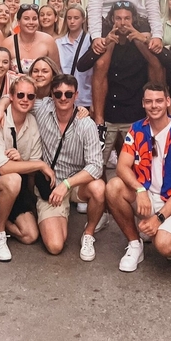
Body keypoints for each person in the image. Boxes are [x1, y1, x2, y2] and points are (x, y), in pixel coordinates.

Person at [106, 83, 171, 272]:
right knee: (113, 187)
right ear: (143, 103)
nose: (154, 106)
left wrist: (159, 218)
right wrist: (139, 189)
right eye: (149, 101)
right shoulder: (137, 129)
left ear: (168, 102)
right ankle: (134, 243)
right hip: (145, 195)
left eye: (159, 101)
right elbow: (122, 167)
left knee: (164, 246)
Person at [77, 1, 165, 169]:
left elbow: (159, 65)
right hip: (108, 113)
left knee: (137, 165)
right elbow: (82, 65)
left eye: (127, 18)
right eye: (118, 18)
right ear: (112, 19)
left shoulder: (139, 40)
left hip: (134, 113)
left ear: (133, 19)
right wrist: (106, 42)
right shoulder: (105, 39)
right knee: (96, 164)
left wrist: (141, 39)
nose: (122, 23)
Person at [32, 74, 106, 261]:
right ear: (52, 95)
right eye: (58, 94)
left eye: (68, 94)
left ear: (76, 95)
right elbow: (15, 96)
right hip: (50, 184)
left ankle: (89, 233)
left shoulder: (86, 124)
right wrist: (0, 108)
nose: (63, 98)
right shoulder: (43, 108)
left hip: (74, 183)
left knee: (99, 188)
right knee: (55, 246)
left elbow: (96, 166)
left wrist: (66, 184)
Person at [0, 74, 50, 261]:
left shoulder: (32, 123)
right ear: (11, 96)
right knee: (12, 179)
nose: (25, 99)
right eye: (20, 95)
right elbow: (3, 169)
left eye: (30, 96)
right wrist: (40, 164)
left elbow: (31, 168)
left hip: (17, 181)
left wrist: (21, 162)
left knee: (30, 235)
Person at [0, 3, 60, 74]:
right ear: (18, 22)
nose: (31, 22)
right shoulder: (7, 43)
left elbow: (56, 71)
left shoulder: (48, 41)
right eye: (26, 19)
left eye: (34, 19)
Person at [56, 4, 92, 109]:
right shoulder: (58, 43)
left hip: (86, 97)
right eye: (69, 18)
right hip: (64, 97)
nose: (72, 21)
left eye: (76, 18)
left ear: (83, 19)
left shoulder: (90, 41)